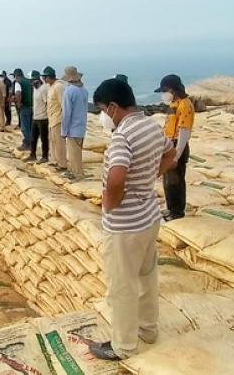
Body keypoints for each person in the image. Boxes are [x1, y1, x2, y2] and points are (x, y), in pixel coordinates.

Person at [88, 78, 177, 361]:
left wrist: (109, 205)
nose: (102, 114)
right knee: (146, 277)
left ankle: (123, 346)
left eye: (102, 109)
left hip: (124, 226)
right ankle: (148, 331)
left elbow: (116, 177)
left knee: (122, 287)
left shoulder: (122, 137)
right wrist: (149, 177)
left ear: (113, 107)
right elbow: (171, 154)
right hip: (149, 218)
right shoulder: (151, 126)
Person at [154, 74, 194, 221]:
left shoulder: (185, 105)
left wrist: (176, 155)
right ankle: (170, 208)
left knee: (176, 181)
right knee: (168, 181)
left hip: (178, 146)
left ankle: (177, 212)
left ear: (173, 89)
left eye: (165, 91)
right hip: (169, 144)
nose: (163, 94)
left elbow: (184, 132)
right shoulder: (174, 104)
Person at [61, 67, 89, 180]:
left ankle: (77, 173)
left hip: (73, 127)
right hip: (82, 125)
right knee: (78, 150)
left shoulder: (69, 91)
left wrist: (64, 130)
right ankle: (74, 171)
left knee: (73, 153)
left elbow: (66, 113)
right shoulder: (84, 90)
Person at [42, 66, 68, 172]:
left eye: (44, 77)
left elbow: (63, 104)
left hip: (58, 119)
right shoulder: (51, 86)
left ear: (49, 77)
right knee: (53, 141)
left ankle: (62, 164)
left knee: (59, 142)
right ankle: (55, 160)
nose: (43, 79)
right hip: (52, 118)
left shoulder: (59, 87)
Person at [27, 71, 49, 163]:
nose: (31, 82)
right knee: (33, 138)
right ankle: (32, 155)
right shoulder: (34, 89)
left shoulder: (43, 89)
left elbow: (47, 103)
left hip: (43, 118)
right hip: (35, 117)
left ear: (37, 80)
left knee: (44, 139)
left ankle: (45, 156)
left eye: (32, 80)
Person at [13, 68, 34, 151]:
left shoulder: (18, 82)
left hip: (24, 106)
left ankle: (27, 144)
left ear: (16, 75)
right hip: (32, 106)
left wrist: (18, 103)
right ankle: (32, 143)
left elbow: (18, 93)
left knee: (25, 127)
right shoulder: (30, 81)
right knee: (31, 126)